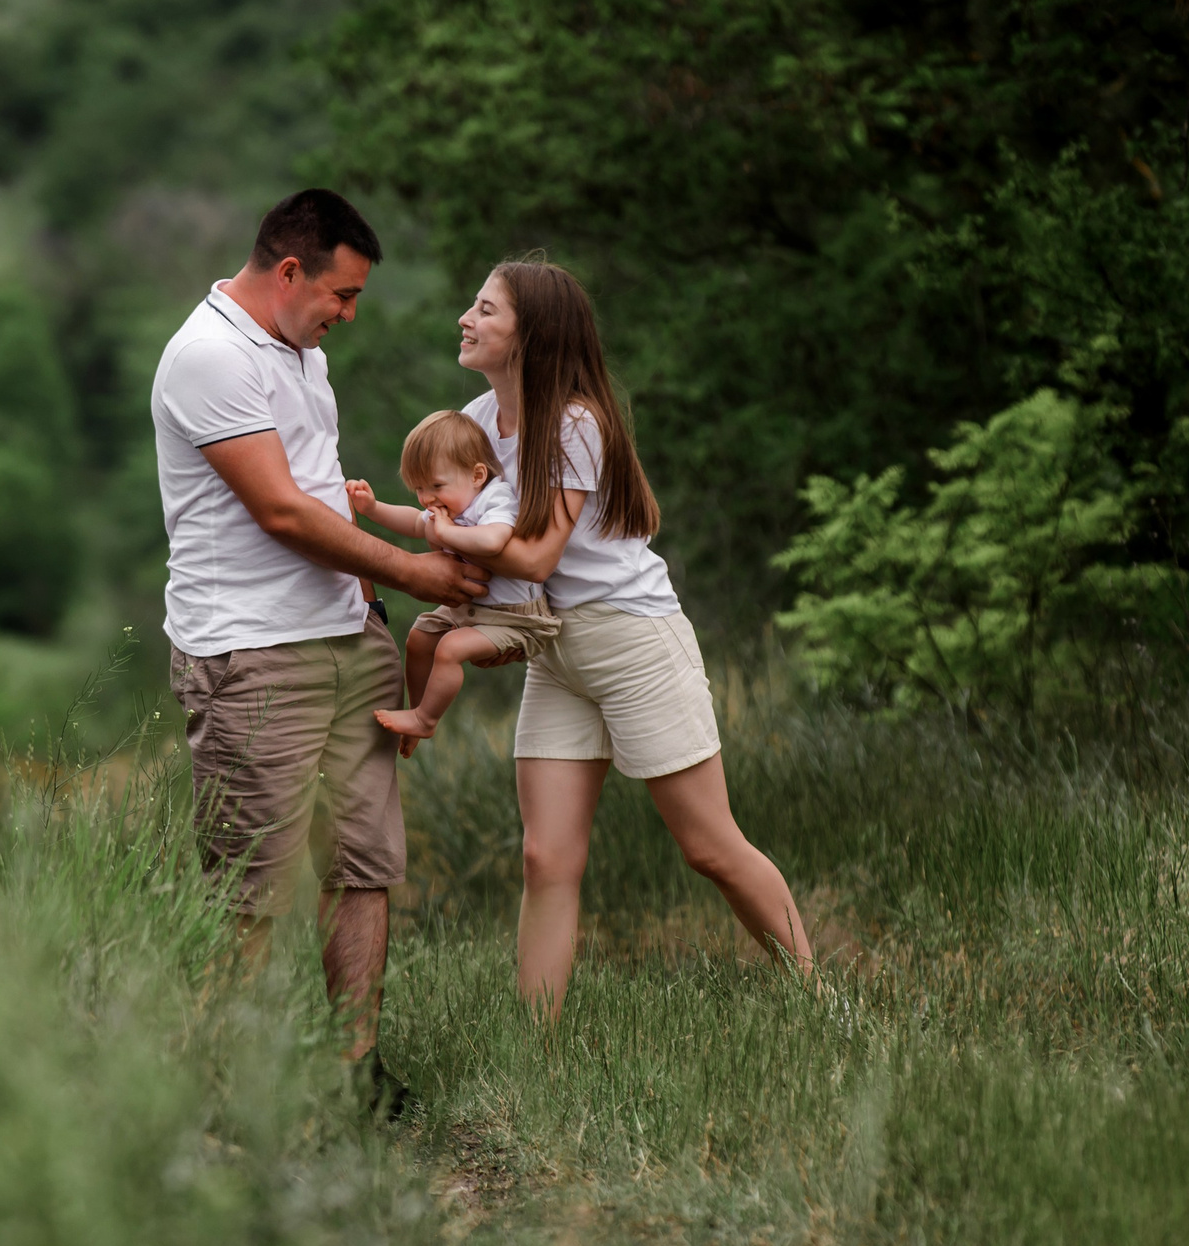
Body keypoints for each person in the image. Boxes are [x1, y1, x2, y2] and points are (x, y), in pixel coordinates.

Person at [151, 189, 487, 1099]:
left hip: (349, 640)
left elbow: (326, 495)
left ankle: (353, 1072)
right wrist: (416, 571)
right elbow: (280, 509)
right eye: (342, 295)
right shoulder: (209, 356)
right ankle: (235, 1086)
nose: (346, 315)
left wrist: (376, 601)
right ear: (289, 270)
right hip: (255, 656)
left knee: (362, 864)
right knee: (250, 883)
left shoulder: (302, 357)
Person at [447, 259, 813, 1015]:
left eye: (485, 309)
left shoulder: (577, 422)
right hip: (555, 647)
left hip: (633, 639)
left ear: (529, 335)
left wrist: (426, 544)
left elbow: (536, 555)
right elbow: (468, 535)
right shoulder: (477, 423)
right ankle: (532, 1050)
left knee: (708, 845)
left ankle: (816, 999)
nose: (466, 318)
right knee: (545, 856)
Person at [343, 409, 559, 753]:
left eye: (437, 486)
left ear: (476, 475)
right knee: (419, 638)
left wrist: (447, 532)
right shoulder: (449, 506)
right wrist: (373, 508)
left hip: (517, 617)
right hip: (471, 610)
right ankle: (418, 709)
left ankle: (427, 720)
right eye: (419, 488)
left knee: (450, 649)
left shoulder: (494, 498)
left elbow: (493, 541)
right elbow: (416, 522)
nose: (428, 499)